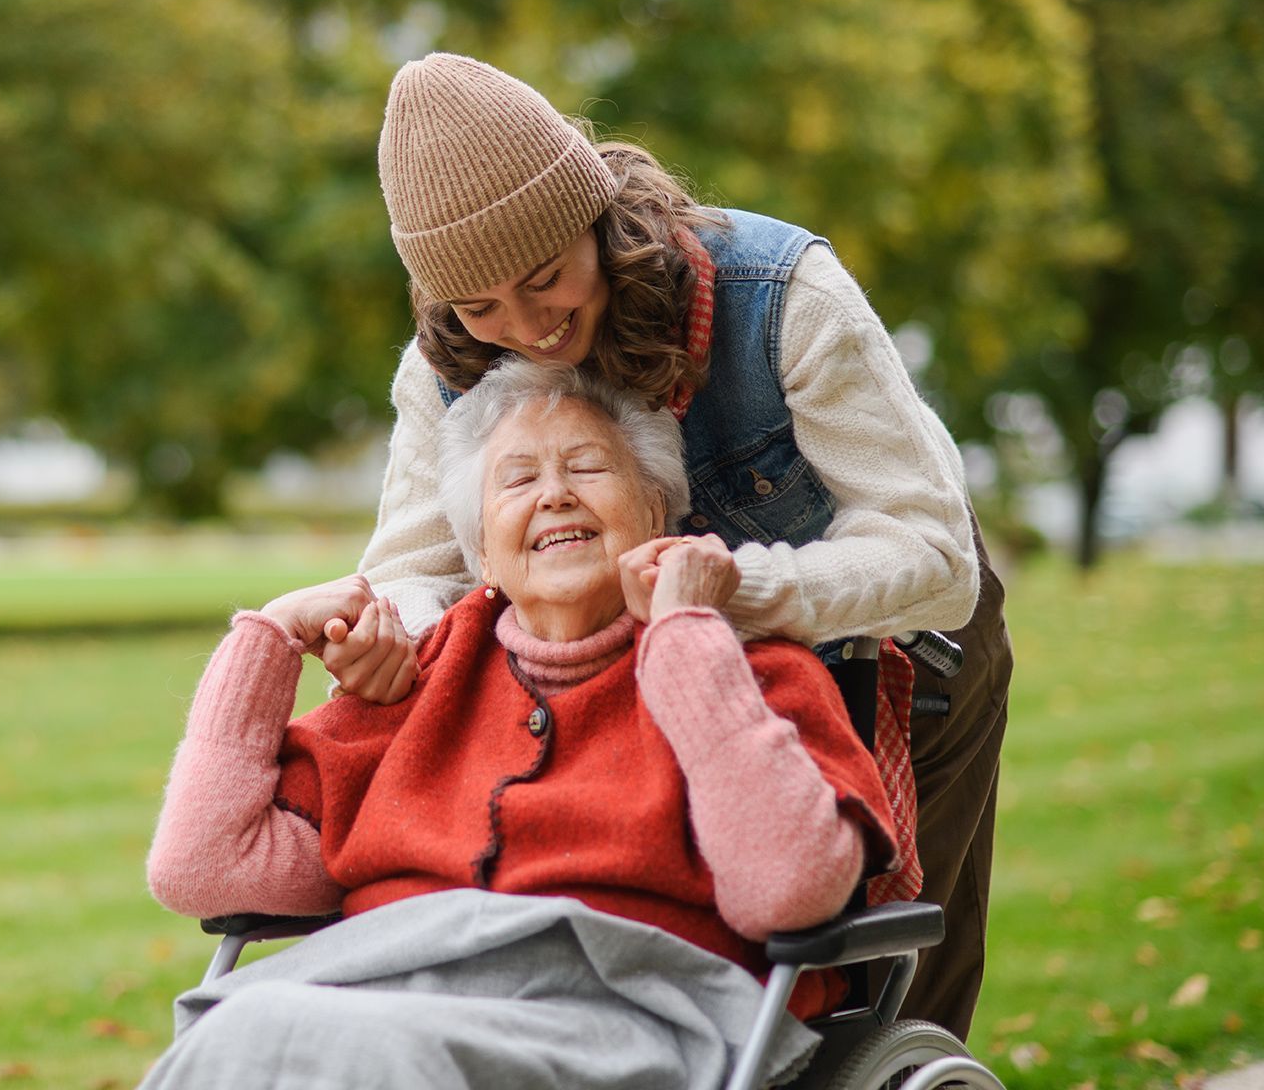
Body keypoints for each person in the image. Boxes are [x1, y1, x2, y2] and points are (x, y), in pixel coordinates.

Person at [318, 54, 1010, 1039]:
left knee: (880, 990)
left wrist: (730, 594)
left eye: (543, 277)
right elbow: (413, 568)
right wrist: (392, 631)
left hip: (892, 657)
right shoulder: (448, 364)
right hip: (631, 702)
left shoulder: (785, 296)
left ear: (591, 216)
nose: (523, 327)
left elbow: (934, 557)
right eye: (479, 306)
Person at [143, 361, 899, 1087]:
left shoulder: (749, 669)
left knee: (339, 1049)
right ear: (483, 556)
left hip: (622, 1016)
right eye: (518, 478)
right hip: (380, 995)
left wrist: (687, 639)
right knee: (242, 1034)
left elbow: (789, 891)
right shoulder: (419, 677)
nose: (555, 495)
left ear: (655, 513)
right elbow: (203, 867)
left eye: (588, 467)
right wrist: (268, 638)